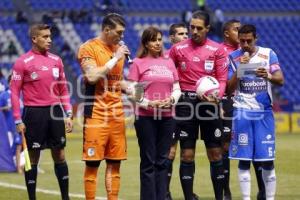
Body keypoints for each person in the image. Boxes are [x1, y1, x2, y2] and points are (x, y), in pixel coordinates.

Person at [77, 13, 141, 200]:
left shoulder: (117, 51)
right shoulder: (88, 48)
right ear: (106, 29)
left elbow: (115, 81)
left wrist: (132, 89)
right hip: (96, 114)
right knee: (93, 164)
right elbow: (92, 76)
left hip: (116, 114)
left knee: (114, 164)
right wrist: (115, 57)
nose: (122, 36)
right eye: (119, 32)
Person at [169, 10, 227, 200]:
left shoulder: (218, 49)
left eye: (199, 28)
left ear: (207, 29)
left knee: (216, 153)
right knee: (186, 154)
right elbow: (168, 72)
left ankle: (220, 197)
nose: (194, 31)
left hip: (209, 104)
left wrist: (217, 95)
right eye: (191, 27)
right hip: (185, 103)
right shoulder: (178, 49)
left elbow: (222, 79)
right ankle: (188, 197)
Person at [10, 24, 73, 200]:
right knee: (33, 156)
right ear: (34, 39)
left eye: (50, 36)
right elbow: (14, 91)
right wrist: (17, 119)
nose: (49, 40)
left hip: (55, 112)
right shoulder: (22, 62)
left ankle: (65, 197)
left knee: (60, 154)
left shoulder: (56, 60)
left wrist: (68, 113)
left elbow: (63, 90)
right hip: (34, 113)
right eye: (45, 37)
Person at [227, 24, 284, 200]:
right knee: (244, 160)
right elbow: (228, 89)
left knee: (267, 160)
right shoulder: (233, 57)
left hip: (264, 114)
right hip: (242, 113)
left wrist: (267, 75)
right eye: (242, 41)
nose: (245, 44)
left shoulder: (268, 54)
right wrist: (239, 71)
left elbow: (280, 80)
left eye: (248, 41)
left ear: (255, 39)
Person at [127, 26, 181, 200]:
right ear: (146, 43)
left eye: (159, 39)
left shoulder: (169, 62)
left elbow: (177, 88)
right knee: (148, 162)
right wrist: (151, 103)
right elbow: (134, 94)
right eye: (153, 40)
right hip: (145, 118)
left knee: (163, 161)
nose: (158, 43)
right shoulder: (138, 63)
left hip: (167, 118)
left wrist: (171, 100)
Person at [164, 23, 189, 200]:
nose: (185, 36)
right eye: (181, 34)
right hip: (172, 109)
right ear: (172, 38)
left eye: (186, 33)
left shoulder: (191, 56)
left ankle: (188, 194)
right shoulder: (166, 59)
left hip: (190, 108)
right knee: (170, 152)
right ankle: (165, 192)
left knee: (188, 152)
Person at [219, 19, 241, 200]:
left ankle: (258, 191)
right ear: (227, 33)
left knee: (250, 146)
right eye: (236, 30)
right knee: (224, 146)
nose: (240, 33)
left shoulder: (250, 52)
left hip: (248, 102)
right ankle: (225, 190)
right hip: (227, 102)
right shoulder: (219, 52)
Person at [0, 75, 23, 173]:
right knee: (11, 149)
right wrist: (6, 108)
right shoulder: (4, 95)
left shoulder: (21, 95)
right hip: (8, 127)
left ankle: (20, 167)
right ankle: (11, 167)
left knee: (21, 147)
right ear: (9, 83)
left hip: (20, 126)